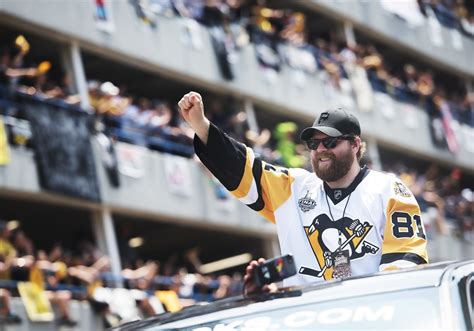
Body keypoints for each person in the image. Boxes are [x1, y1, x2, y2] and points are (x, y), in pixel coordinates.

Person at [178, 91, 428, 293]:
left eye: (330, 142)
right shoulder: (295, 187)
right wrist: (200, 125)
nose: (320, 149)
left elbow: (405, 268)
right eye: (313, 144)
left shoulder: (388, 190)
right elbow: (241, 168)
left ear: (355, 144)